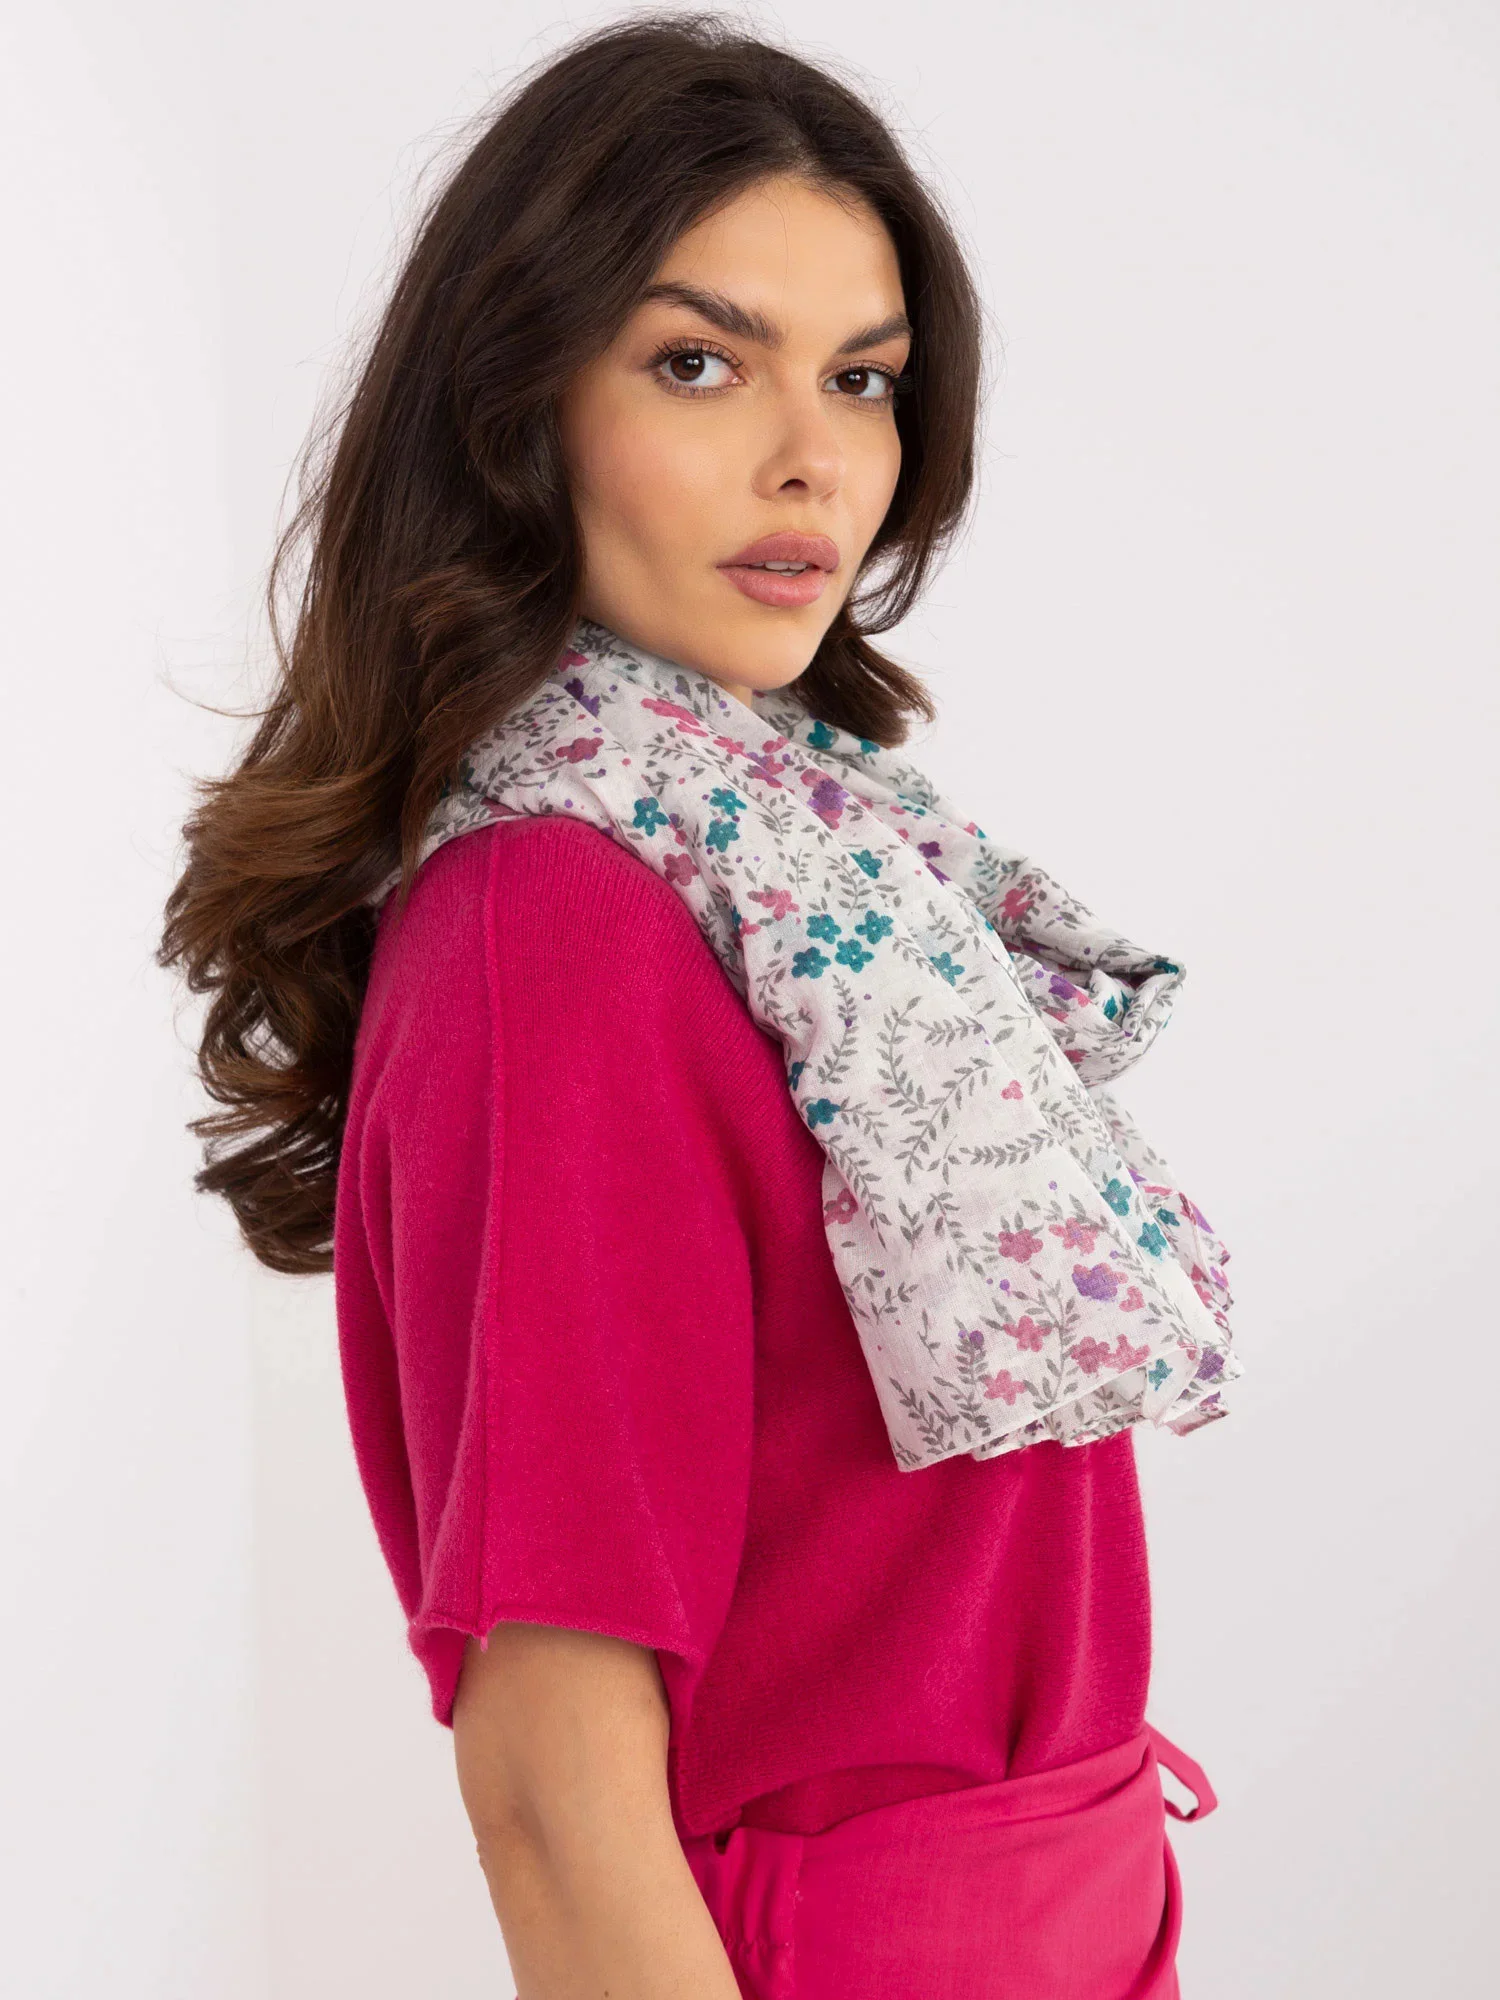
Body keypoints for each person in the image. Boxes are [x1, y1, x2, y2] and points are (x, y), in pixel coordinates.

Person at [160, 14, 1232, 1995]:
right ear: (516, 411)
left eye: (863, 378)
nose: (813, 455)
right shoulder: (558, 921)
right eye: (698, 362)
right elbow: (555, 1792)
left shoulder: (819, 878)